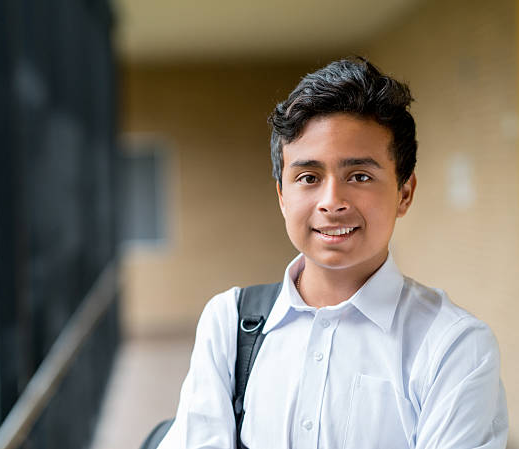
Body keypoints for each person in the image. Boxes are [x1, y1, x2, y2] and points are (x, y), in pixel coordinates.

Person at [156, 57, 508, 449]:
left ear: (404, 193)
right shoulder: (230, 325)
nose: (332, 201)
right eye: (308, 178)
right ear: (282, 197)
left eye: (359, 176)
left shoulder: (454, 346)